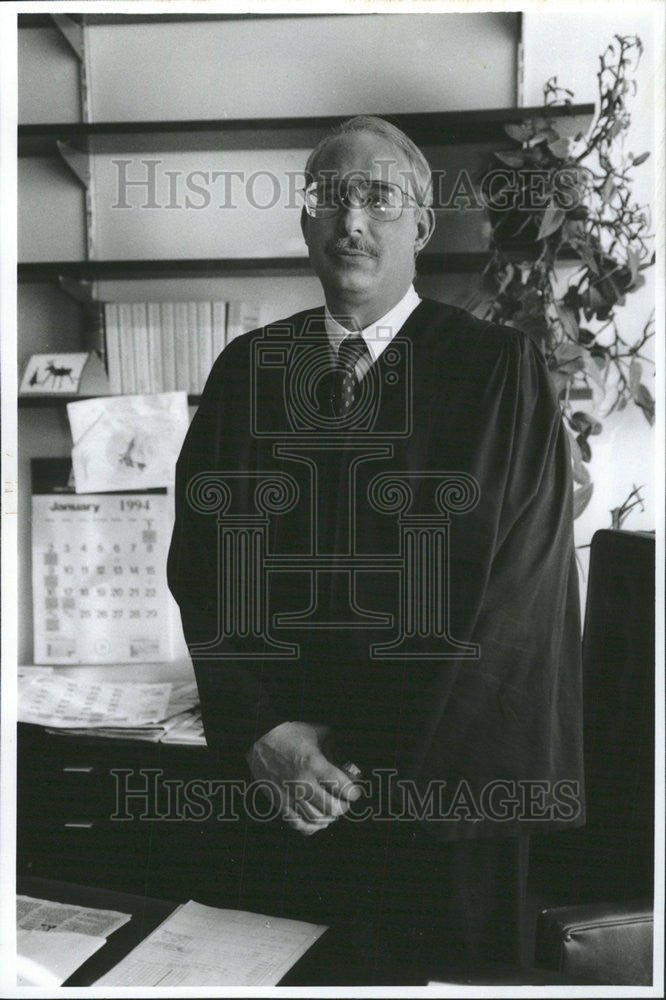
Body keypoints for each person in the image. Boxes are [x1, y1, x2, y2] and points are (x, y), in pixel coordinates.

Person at [167, 116, 584, 983]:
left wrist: (348, 755)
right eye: (329, 197)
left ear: (422, 226)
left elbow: (505, 603)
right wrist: (265, 732)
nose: (350, 219)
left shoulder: (498, 371)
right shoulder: (249, 370)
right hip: (278, 793)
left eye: (378, 198)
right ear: (307, 219)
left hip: (441, 803)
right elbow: (203, 570)